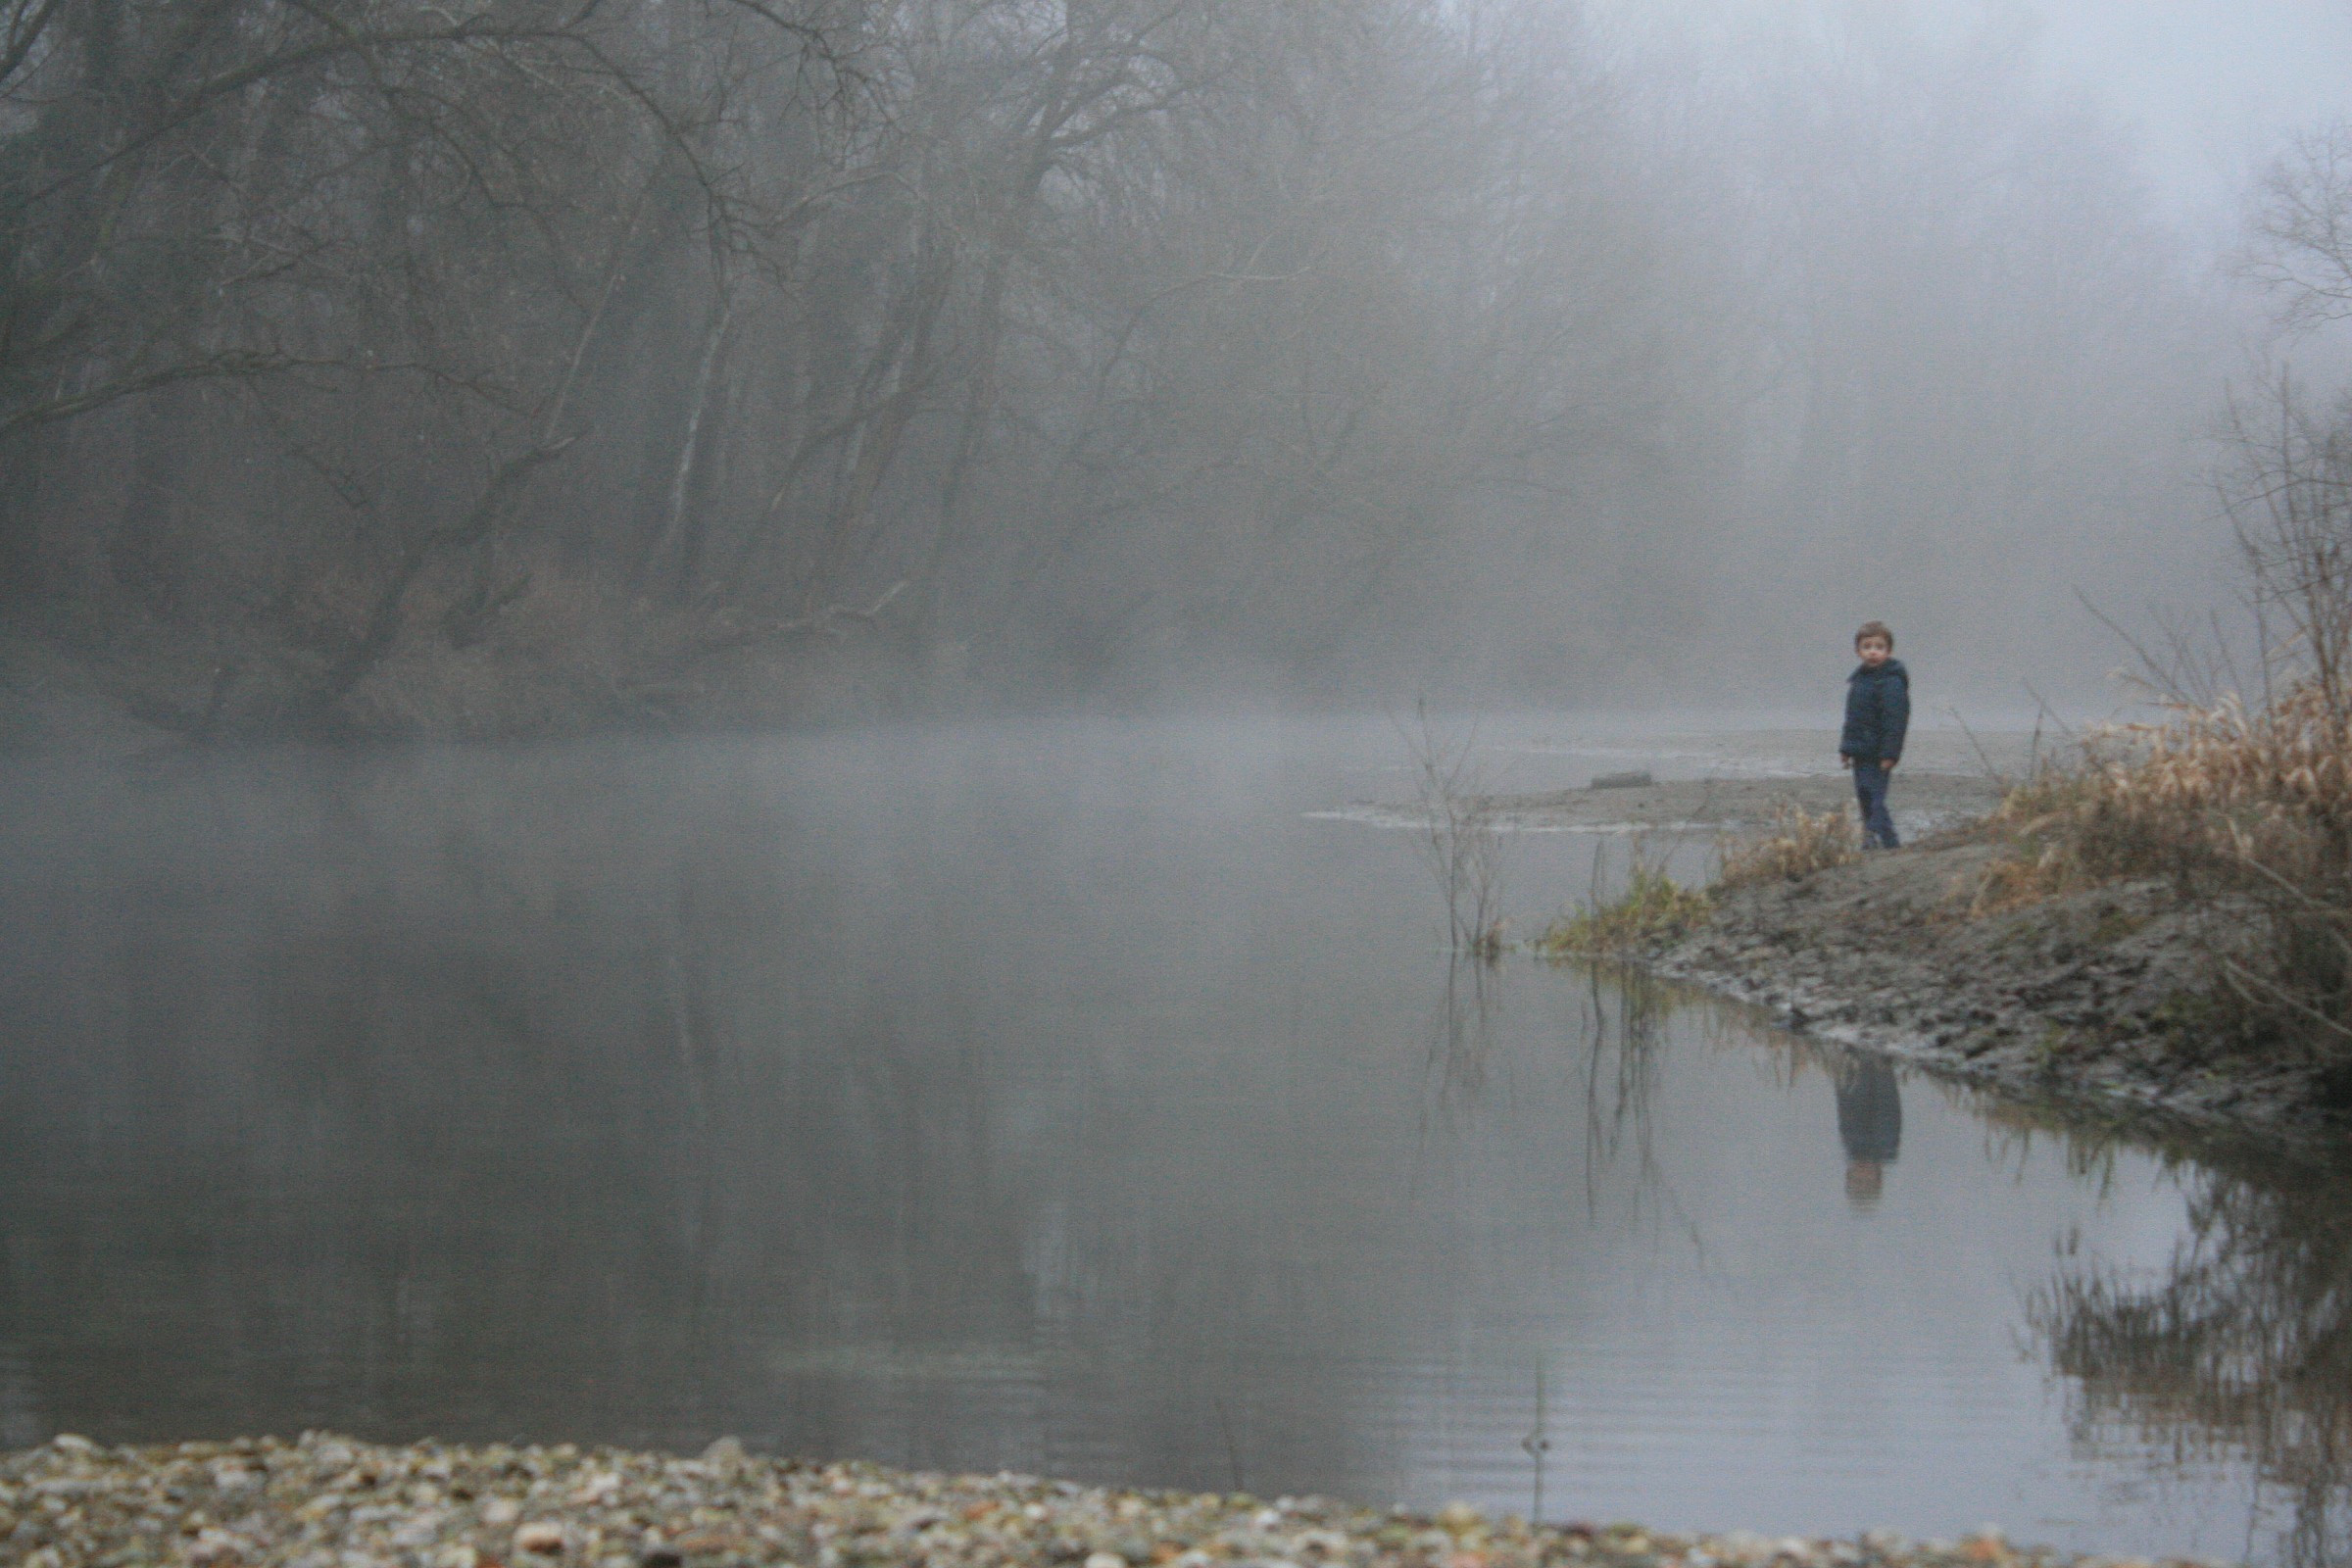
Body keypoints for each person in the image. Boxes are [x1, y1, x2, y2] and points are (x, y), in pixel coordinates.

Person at [1838, 620, 1909, 850]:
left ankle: (1889, 843)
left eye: (1879, 647)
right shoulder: (1859, 681)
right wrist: (1846, 749)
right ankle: (1871, 842)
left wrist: (1890, 754)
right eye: (1867, 646)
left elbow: (1896, 721)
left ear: (1889, 651)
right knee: (1864, 798)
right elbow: (1852, 719)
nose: (1873, 652)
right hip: (1860, 751)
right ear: (1858, 651)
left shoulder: (1891, 681)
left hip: (1879, 754)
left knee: (1876, 800)